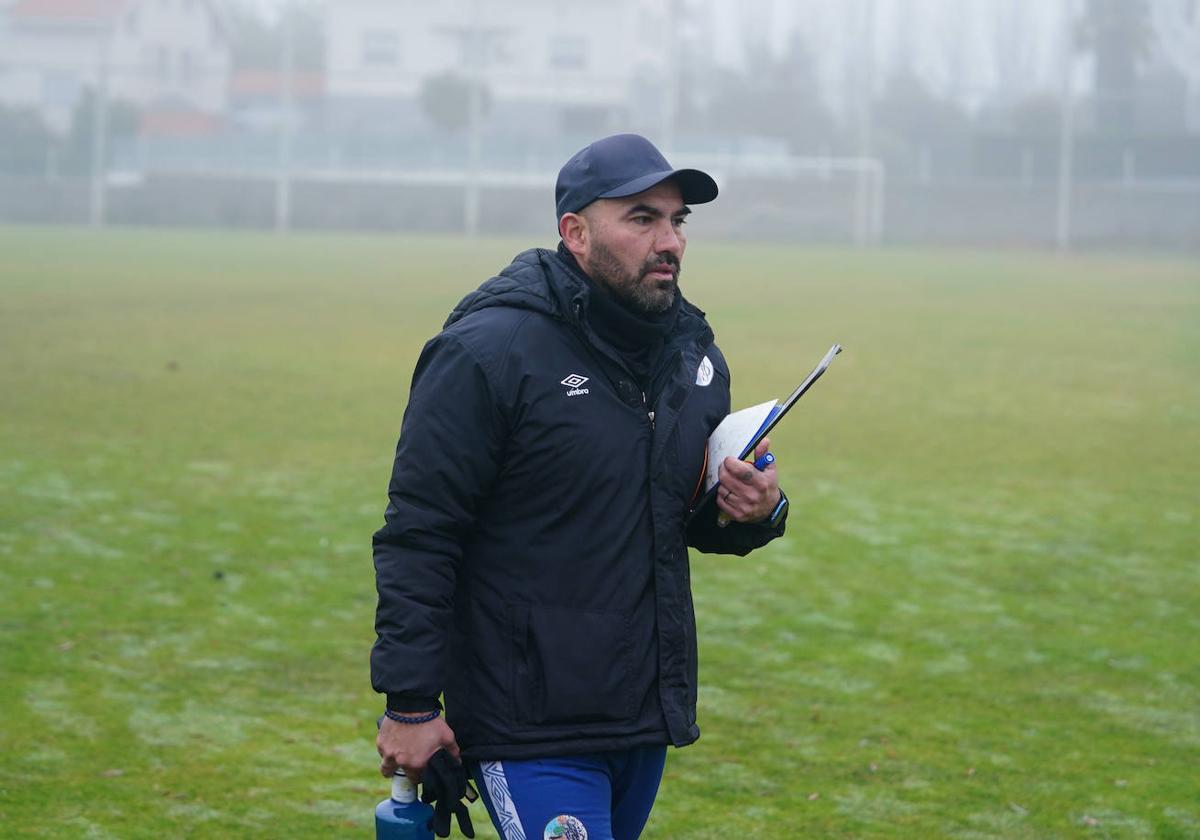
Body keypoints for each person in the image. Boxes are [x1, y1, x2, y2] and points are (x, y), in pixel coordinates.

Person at [372, 133, 789, 840]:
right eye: (641, 218)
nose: (669, 241)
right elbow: (420, 532)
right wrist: (411, 704)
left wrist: (754, 510)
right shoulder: (488, 352)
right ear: (575, 232)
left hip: (640, 718)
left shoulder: (694, 357)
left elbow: (676, 517)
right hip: (527, 723)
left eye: (677, 221)